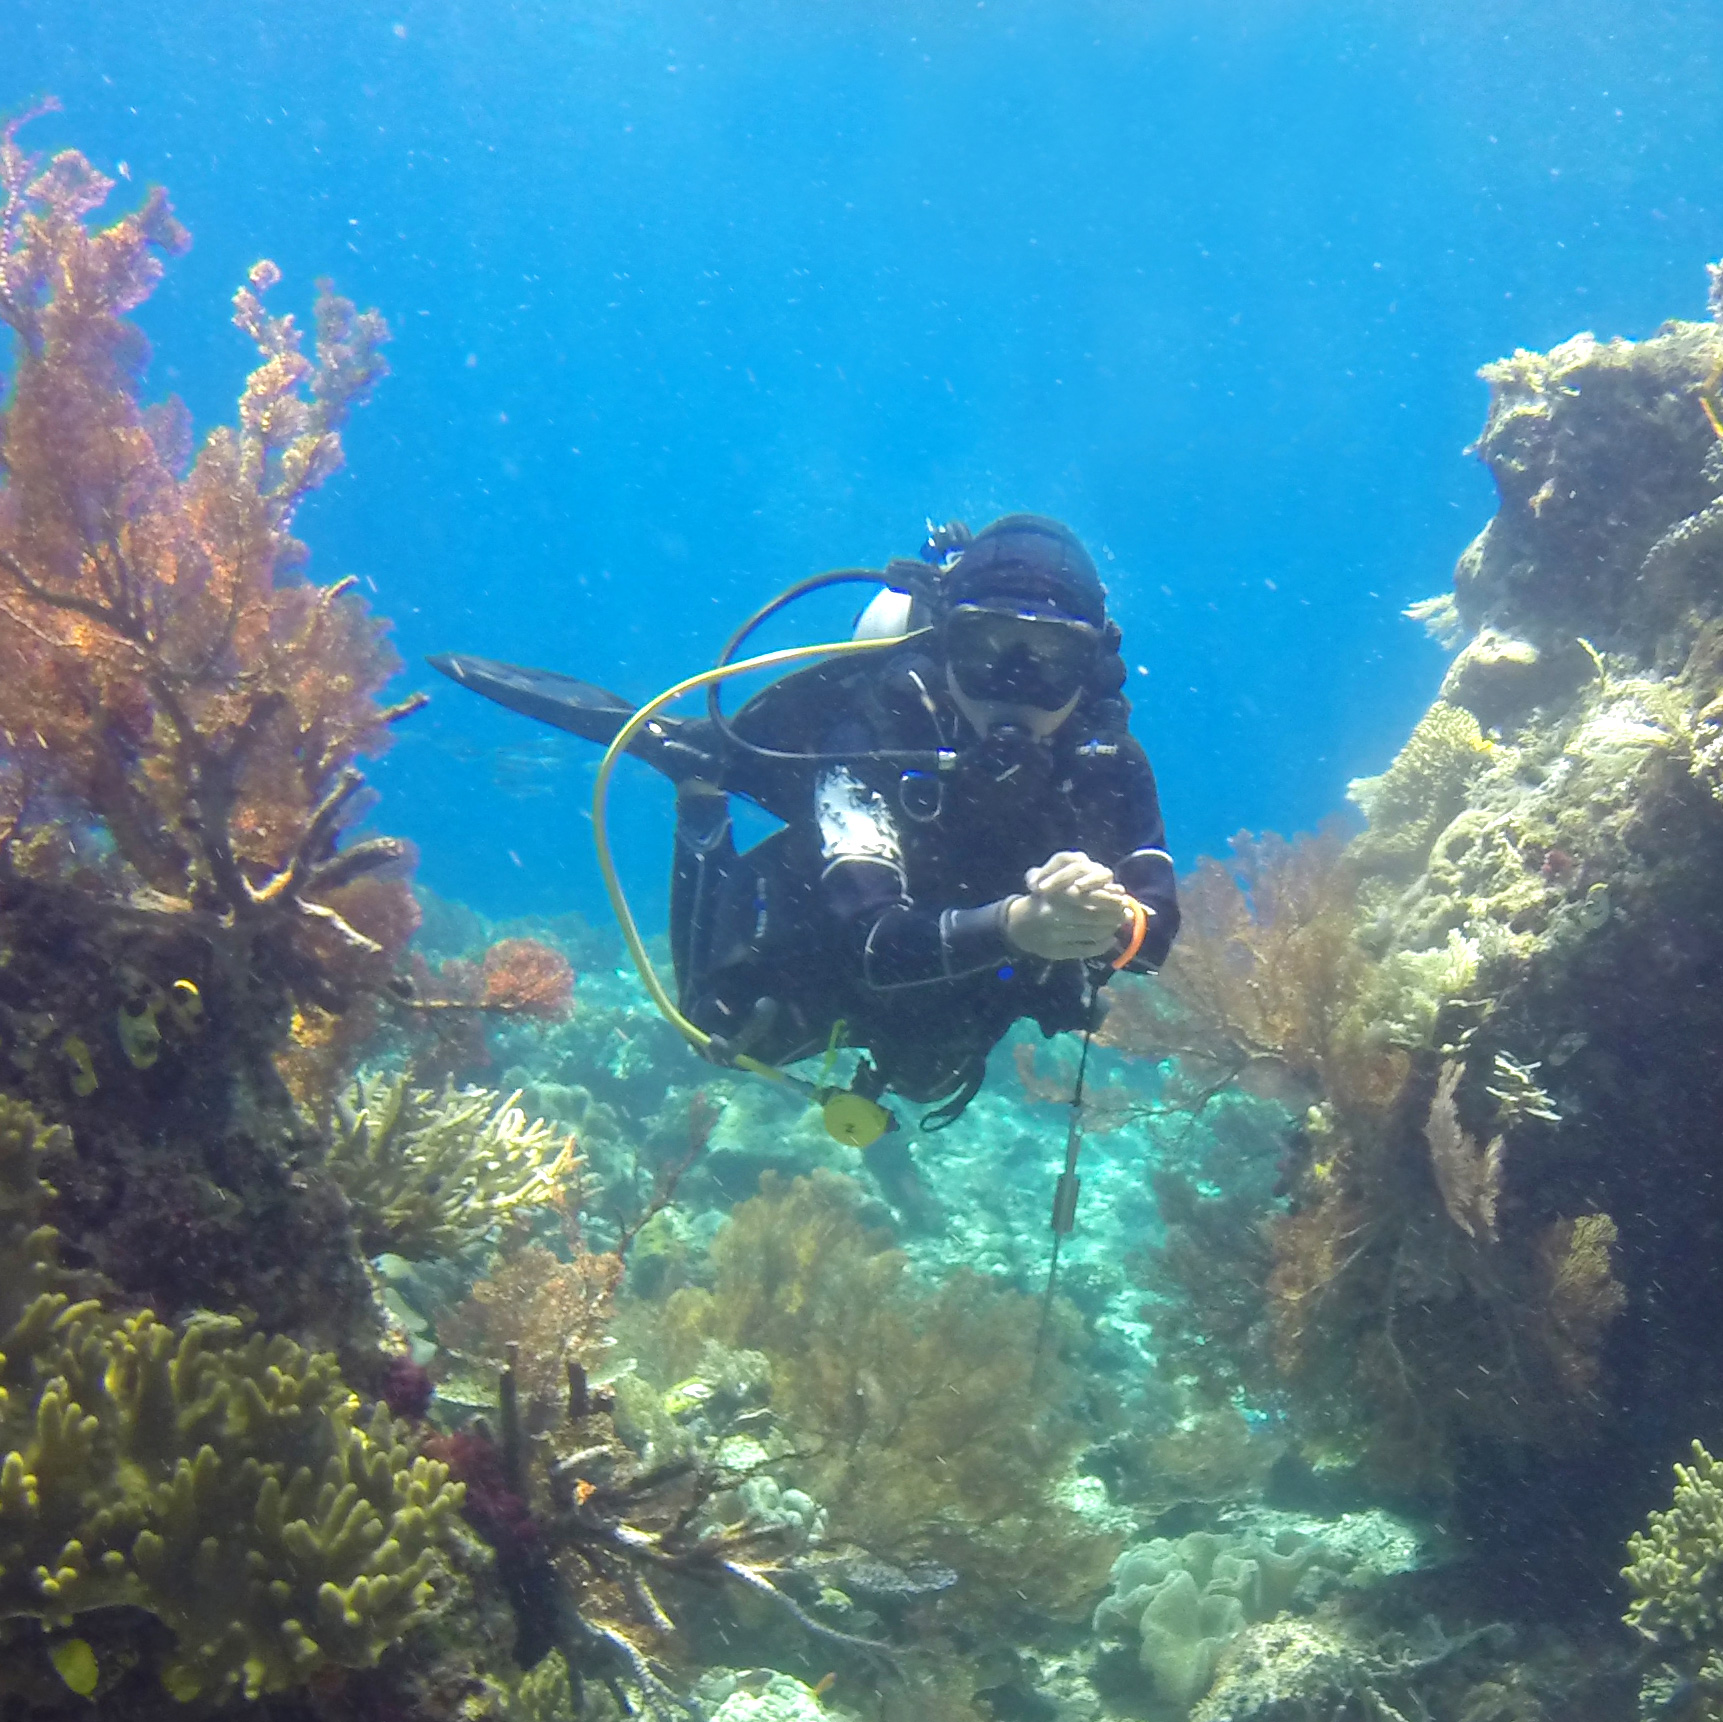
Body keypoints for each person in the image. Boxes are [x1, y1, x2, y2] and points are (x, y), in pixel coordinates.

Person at [429, 513, 1179, 1131]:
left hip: (974, 965)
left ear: (1093, 672)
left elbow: (1154, 939)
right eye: (987, 652)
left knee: (928, 1067)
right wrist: (1017, 924)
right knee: (718, 1026)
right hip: (831, 926)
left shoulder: (1108, 765)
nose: (1014, 691)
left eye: (1050, 661)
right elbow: (874, 941)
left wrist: (1107, 919)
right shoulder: (869, 730)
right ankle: (698, 785)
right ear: (944, 646)